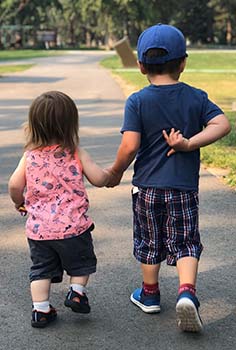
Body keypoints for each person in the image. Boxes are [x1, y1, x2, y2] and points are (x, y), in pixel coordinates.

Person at [107, 24, 231, 332]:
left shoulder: (137, 101)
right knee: (186, 242)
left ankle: (150, 294)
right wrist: (188, 143)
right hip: (184, 189)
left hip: (147, 188)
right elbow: (222, 124)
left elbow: (130, 145)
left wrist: (116, 171)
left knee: (150, 241)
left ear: (140, 66)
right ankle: (186, 292)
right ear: (183, 62)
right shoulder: (196, 97)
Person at [8, 91, 110, 328]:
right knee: (81, 264)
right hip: (74, 228)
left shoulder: (30, 156)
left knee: (41, 270)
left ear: (33, 125)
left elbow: (14, 184)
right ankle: (76, 292)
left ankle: (41, 310)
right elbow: (98, 178)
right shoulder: (76, 152)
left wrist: (18, 201)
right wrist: (110, 175)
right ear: (71, 124)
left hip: (39, 232)